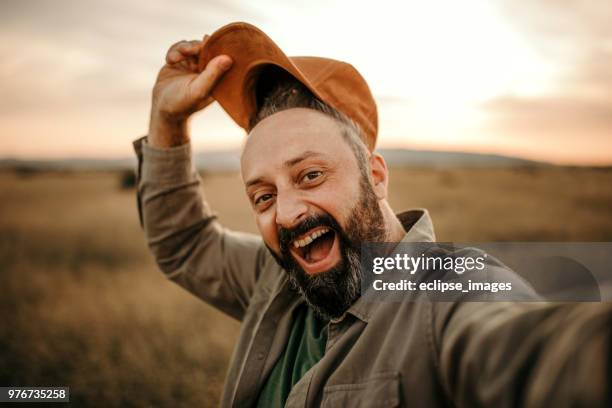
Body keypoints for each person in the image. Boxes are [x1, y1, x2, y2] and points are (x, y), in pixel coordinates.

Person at [133, 22, 612, 407]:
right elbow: (185, 244)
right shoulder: (276, 279)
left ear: (376, 176)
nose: (286, 212)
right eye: (263, 196)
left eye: (310, 175)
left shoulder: (449, 291)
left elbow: (540, 354)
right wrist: (167, 120)